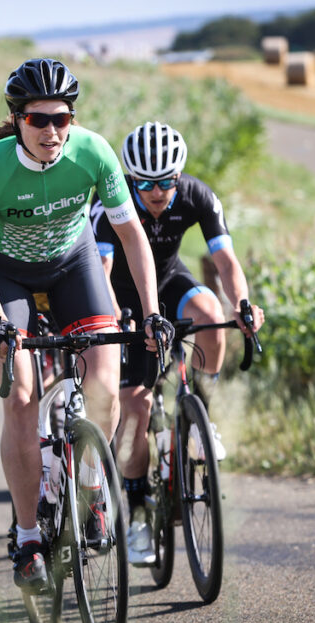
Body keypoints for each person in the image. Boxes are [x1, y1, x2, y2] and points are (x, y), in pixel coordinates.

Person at [0, 59, 172, 592]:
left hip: (72, 266)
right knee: (21, 395)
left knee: (106, 382)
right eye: (38, 120)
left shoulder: (93, 152)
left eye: (61, 118)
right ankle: (30, 536)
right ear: (18, 121)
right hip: (7, 277)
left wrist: (150, 310)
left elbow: (131, 238)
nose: (52, 131)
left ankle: (91, 489)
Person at [90, 121, 265, 566]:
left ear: (178, 176)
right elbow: (103, 273)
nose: (157, 192)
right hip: (123, 299)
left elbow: (225, 259)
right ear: (131, 179)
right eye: (145, 183)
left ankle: (201, 410)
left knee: (210, 314)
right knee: (135, 407)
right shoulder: (112, 200)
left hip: (168, 279)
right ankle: (139, 514)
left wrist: (243, 304)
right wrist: (122, 321)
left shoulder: (197, 196)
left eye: (166, 182)